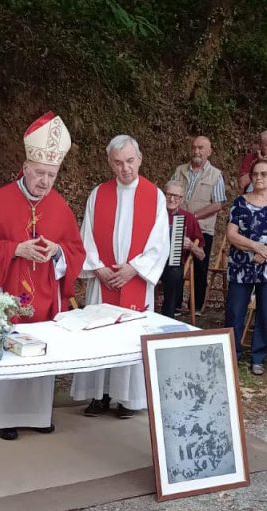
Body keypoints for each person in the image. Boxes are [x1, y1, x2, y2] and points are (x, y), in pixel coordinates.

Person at [0, 112, 85, 440]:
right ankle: (3, 417)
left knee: (40, 352)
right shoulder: (0, 200)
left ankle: (37, 414)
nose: (45, 182)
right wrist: (16, 250)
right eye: (40, 173)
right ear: (26, 167)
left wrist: (57, 251)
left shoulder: (58, 206)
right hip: (7, 295)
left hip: (43, 297)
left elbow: (75, 250)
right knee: (10, 349)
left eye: (52, 175)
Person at [72, 135, 170, 419]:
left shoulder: (155, 196)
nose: (125, 168)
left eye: (130, 161)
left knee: (131, 336)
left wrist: (133, 268)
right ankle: (99, 395)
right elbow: (86, 236)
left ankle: (128, 398)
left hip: (135, 280)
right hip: (103, 281)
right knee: (99, 336)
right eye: (119, 163)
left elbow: (159, 242)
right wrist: (98, 267)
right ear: (110, 164)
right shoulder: (99, 193)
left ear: (139, 159)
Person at [224, 159, 267, 375]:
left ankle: (258, 357)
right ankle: (232, 354)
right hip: (241, 264)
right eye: (255, 174)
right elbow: (231, 234)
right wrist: (255, 247)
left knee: (265, 312)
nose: (259, 177)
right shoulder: (240, 203)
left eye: (264, 174)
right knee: (235, 312)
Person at [169, 135, 227, 313]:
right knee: (175, 263)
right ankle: (175, 303)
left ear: (209, 152)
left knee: (200, 267)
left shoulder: (216, 174)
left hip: (203, 228)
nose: (197, 151)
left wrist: (193, 216)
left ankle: (197, 306)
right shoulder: (180, 170)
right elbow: (170, 191)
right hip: (178, 224)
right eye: (194, 147)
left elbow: (218, 203)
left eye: (201, 148)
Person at [159, 179, 206, 318]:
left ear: (182, 199)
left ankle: (167, 317)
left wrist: (191, 246)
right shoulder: (154, 214)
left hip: (172, 265)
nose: (172, 199)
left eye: (176, 196)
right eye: (168, 195)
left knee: (174, 273)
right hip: (152, 261)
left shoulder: (188, 218)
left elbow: (202, 255)